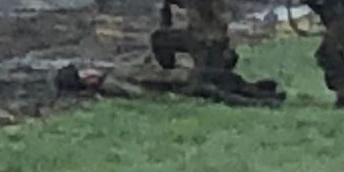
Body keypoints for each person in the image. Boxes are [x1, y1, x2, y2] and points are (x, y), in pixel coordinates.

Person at [53, 61, 285, 107]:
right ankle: (264, 100)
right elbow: (143, 89)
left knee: (227, 79)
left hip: (179, 77)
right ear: (86, 80)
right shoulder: (111, 84)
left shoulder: (110, 78)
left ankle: (260, 91)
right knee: (220, 91)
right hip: (178, 84)